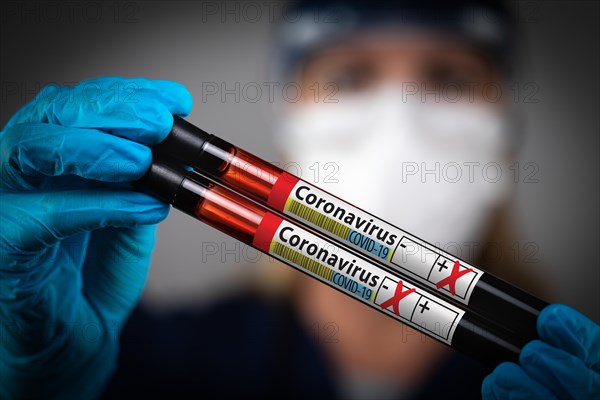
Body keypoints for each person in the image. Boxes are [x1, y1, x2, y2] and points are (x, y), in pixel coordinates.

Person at [1, 1, 598, 399]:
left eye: (449, 79)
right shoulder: (156, 364)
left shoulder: (564, 370)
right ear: (292, 121)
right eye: (349, 77)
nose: (399, 116)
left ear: (507, 131)